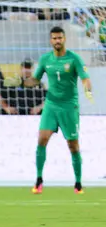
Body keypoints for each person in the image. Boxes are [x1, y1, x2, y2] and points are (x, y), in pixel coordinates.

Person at [24, 26, 93, 194]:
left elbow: (85, 79)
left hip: (69, 107)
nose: (57, 41)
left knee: (73, 145)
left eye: (60, 38)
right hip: (51, 105)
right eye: (54, 38)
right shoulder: (45, 59)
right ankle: (39, 180)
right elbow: (35, 79)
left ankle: (78, 183)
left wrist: (87, 89)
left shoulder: (74, 58)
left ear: (64, 39)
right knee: (42, 139)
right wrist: (25, 81)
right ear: (50, 40)